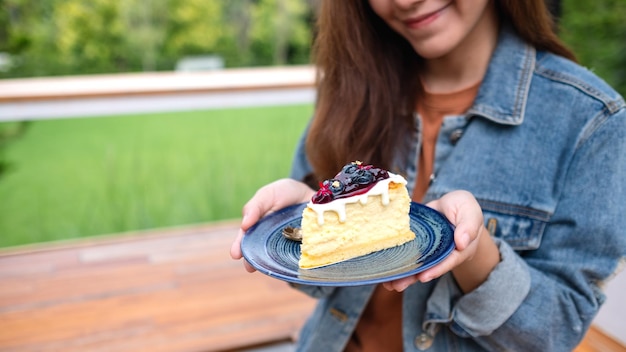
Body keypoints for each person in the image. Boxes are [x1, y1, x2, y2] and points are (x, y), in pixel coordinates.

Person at [231, 0, 626, 350]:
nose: (406, 2)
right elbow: (320, 285)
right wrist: (306, 224)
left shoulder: (591, 121)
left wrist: (474, 252)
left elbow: (555, 335)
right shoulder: (352, 87)